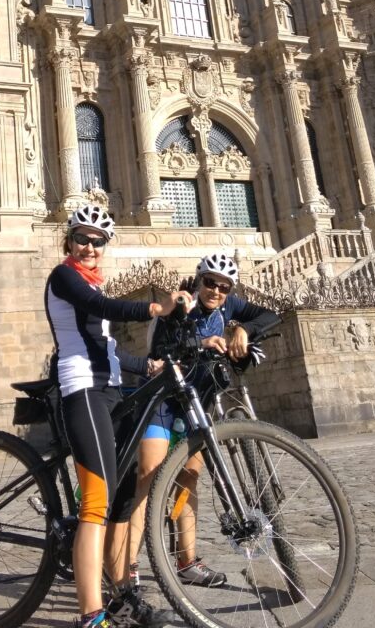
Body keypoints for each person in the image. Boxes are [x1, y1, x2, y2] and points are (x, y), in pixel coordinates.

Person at [45, 204, 190, 628]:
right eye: (83, 238)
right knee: (96, 503)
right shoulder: (65, 277)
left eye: (98, 240)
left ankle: (122, 595)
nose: (90, 246)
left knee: (125, 499)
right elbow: (100, 306)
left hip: (112, 390)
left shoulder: (92, 280)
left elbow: (108, 347)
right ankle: (90, 615)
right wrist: (154, 309)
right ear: (70, 241)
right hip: (83, 390)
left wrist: (146, 366)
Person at [127, 253, 278, 590]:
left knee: (189, 480)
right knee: (148, 482)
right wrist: (202, 342)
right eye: (210, 283)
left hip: (194, 406)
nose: (216, 291)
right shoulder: (180, 305)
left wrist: (243, 328)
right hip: (161, 402)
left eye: (224, 287)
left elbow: (272, 315)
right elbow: (161, 348)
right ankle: (127, 565)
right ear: (198, 281)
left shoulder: (228, 307)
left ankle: (186, 560)